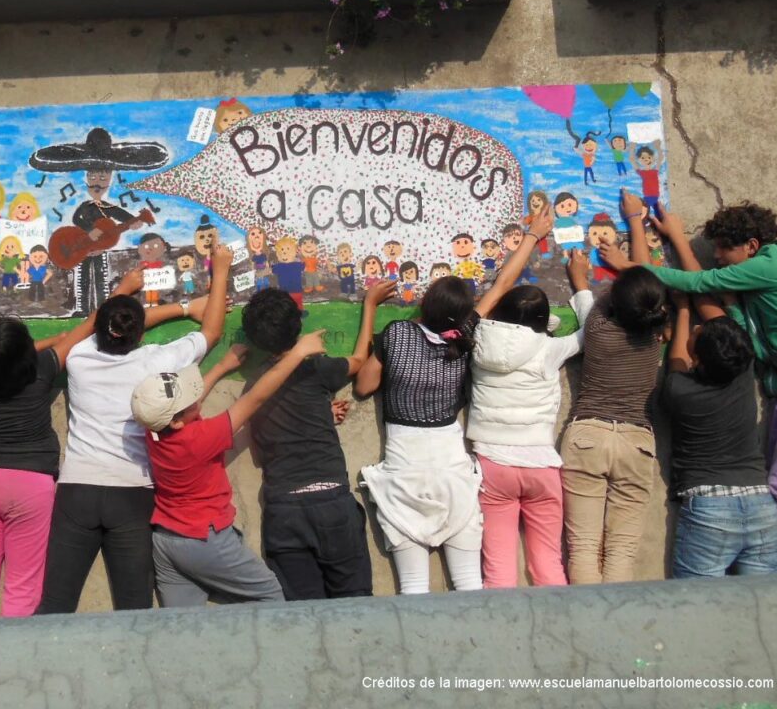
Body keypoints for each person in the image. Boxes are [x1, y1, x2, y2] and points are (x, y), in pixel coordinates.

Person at [355, 207, 555, 594]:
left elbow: (363, 386)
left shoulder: (396, 335)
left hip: (405, 475)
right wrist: (531, 235)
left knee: (413, 589)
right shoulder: (463, 340)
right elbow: (501, 285)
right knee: (469, 586)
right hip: (453, 474)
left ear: (425, 304)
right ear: (461, 316)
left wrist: (369, 308)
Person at [36, 245, 234, 613]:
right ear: (140, 335)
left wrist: (123, 289)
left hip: (77, 490)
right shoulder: (156, 361)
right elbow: (213, 331)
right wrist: (219, 271)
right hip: (133, 493)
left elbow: (93, 324)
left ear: (99, 331)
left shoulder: (78, 357)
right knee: (134, 605)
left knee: (56, 601)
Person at [0, 272, 144, 619]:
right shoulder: (38, 371)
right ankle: (18, 666)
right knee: (23, 588)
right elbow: (85, 329)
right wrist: (123, 291)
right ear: (26, 352)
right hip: (31, 486)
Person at [600, 201, 777, 514]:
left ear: (752, 246)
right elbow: (728, 315)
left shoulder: (770, 265)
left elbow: (701, 283)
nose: (716, 257)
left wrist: (629, 266)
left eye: (723, 249)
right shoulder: (758, 275)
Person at [131, 330, 328, 608]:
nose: (195, 398)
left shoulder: (152, 432)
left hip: (166, 541)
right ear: (177, 421)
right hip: (205, 541)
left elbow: (188, 405)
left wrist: (223, 366)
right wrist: (298, 353)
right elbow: (255, 399)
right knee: (270, 594)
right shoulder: (199, 438)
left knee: (182, 626)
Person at [242, 279, 395, 600]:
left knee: (303, 615)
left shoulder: (252, 390)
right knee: (354, 608)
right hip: (332, 506)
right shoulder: (318, 370)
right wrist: (369, 305)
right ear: (297, 328)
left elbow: (258, 456)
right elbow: (358, 360)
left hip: (283, 510)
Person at [467, 249, 593, 588]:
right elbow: (591, 331)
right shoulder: (549, 349)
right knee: (548, 563)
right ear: (542, 323)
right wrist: (581, 286)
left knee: (498, 567)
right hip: (540, 463)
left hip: (493, 463)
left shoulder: (477, 341)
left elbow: (504, 334)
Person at [561, 191, 667, 584]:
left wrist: (580, 277)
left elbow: (596, 296)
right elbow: (646, 287)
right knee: (622, 548)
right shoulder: (654, 336)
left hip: (588, 432)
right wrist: (629, 252)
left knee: (584, 546)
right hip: (637, 439)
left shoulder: (599, 329)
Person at [663, 294, 777, 578]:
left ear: (700, 360)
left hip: (709, 510)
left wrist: (682, 309)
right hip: (761, 507)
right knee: (764, 610)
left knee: (698, 607)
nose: (696, 328)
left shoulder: (679, 390)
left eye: (698, 332)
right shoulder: (743, 371)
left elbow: (678, 358)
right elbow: (724, 324)